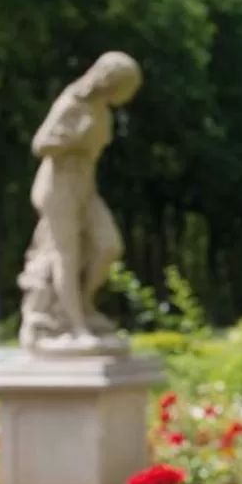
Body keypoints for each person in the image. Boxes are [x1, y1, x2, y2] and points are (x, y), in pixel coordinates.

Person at [18, 52, 142, 348]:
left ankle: (82, 304)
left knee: (108, 245)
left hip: (85, 188)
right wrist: (74, 137)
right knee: (66, 255)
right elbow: (40, 144)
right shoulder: (72, 102)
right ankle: (75, 327)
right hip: (58, 186)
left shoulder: (102, 110)